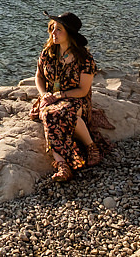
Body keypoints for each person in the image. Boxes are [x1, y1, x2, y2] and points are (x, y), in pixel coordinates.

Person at [30, 10, 111, 182]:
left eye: (58, 29)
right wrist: (44, 95)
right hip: (51, 99)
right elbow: (38, 77)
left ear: (70, 34)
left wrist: (60, 95)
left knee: (60, 113)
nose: (53, 33)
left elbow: (82, 90)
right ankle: (62, 165)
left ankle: (90, 146)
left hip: (76, 99)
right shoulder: (48, 53)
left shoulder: (85, 59)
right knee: (49, 113)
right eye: (52, 28)